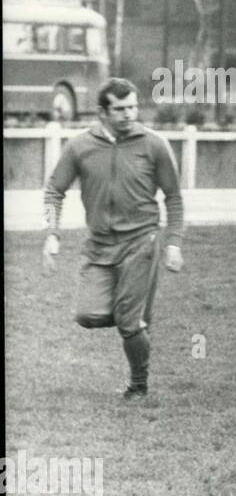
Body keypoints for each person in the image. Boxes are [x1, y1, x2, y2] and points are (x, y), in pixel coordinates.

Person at [42, 77, 184, 399]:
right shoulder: (80, 146)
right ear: (102, 112)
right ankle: (135, 322)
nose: (129, 114)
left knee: (128, 321)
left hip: (142, 240)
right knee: (86, 315)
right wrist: (52, 234)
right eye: (120, 109)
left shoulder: (154, 145)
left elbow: (173, 197)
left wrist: (174, 242)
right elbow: (54, 191)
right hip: (99, 245)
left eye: (133, 107)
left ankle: (138, 385)